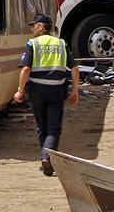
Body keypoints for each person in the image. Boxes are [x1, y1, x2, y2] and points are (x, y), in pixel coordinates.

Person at [14, 13, 80, 177]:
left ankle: (46, 159)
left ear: (41, 27)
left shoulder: (33, 44)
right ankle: (47, 158)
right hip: (56, 91)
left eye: (34, 25)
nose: (32, 28)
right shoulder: (61, 43)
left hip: (37, 91)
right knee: (54, 128)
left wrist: (20, 90)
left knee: (42, 127)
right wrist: (75, 91)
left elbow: (25, 69)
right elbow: (74, 69)